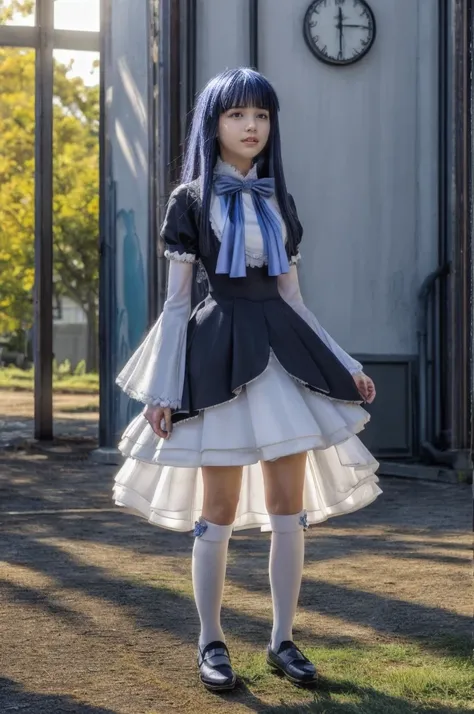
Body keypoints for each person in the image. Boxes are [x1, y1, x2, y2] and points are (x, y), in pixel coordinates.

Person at [114, 67, 382, 692]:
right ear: (214, 124)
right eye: (237, 115)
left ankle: (284, 639)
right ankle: (211, 641)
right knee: (220, 508)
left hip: (281, 356)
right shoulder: (189, 200)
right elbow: (179, 305)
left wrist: (346, 364)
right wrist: (164, 390)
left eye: (261, 116)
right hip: (218, 355)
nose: (251, 126)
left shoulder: (279, 201)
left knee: (290, 508)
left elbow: (294, 299)